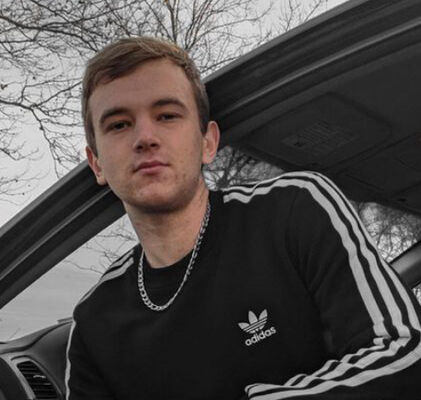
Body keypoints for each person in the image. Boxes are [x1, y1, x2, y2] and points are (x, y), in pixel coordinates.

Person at [65, 36, 421, 400]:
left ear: (208, 142)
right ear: (97, 163)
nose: (145, 137)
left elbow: (403, 351)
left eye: (167, 115)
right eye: (119, 125)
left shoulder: (293, 208)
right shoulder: (94, 322)